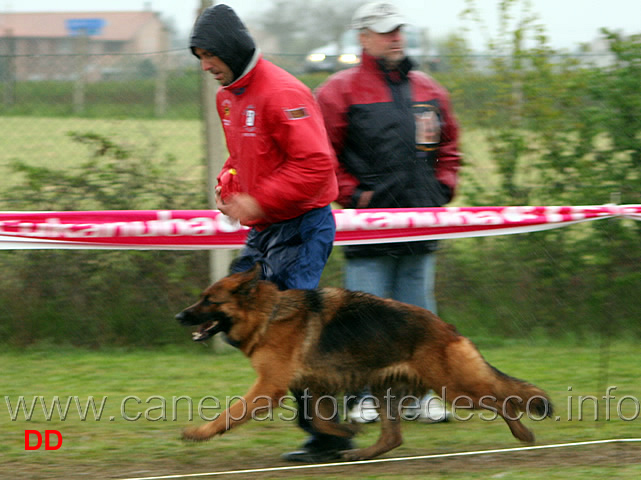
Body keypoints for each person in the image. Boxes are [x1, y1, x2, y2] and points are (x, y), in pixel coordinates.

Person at [190, 4, 350, 462]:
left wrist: (258, 201)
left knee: (286, 333)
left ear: (230, 49)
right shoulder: (227, 98)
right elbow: (240, 158)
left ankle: (329, 433)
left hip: (303, 227)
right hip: (264, 231)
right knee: (231, 312)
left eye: (209, 55)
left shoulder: (283, 92)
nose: (205, 66)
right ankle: (314, 401)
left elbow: (317, 166)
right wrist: (228, 186)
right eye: (199, 57)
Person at [315, 2, 462, 423]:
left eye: (398, 29)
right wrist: (354, 196)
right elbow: (322, 155)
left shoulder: (431, 90)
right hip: (369, 230)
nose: (394, 37)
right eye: (384, 30)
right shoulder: (338, 91)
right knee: (367, 318)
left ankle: (418, 397)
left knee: (423, 319)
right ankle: (363, 397)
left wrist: (443, 186)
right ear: (363, 37)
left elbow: (449, 149)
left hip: (421, 225)